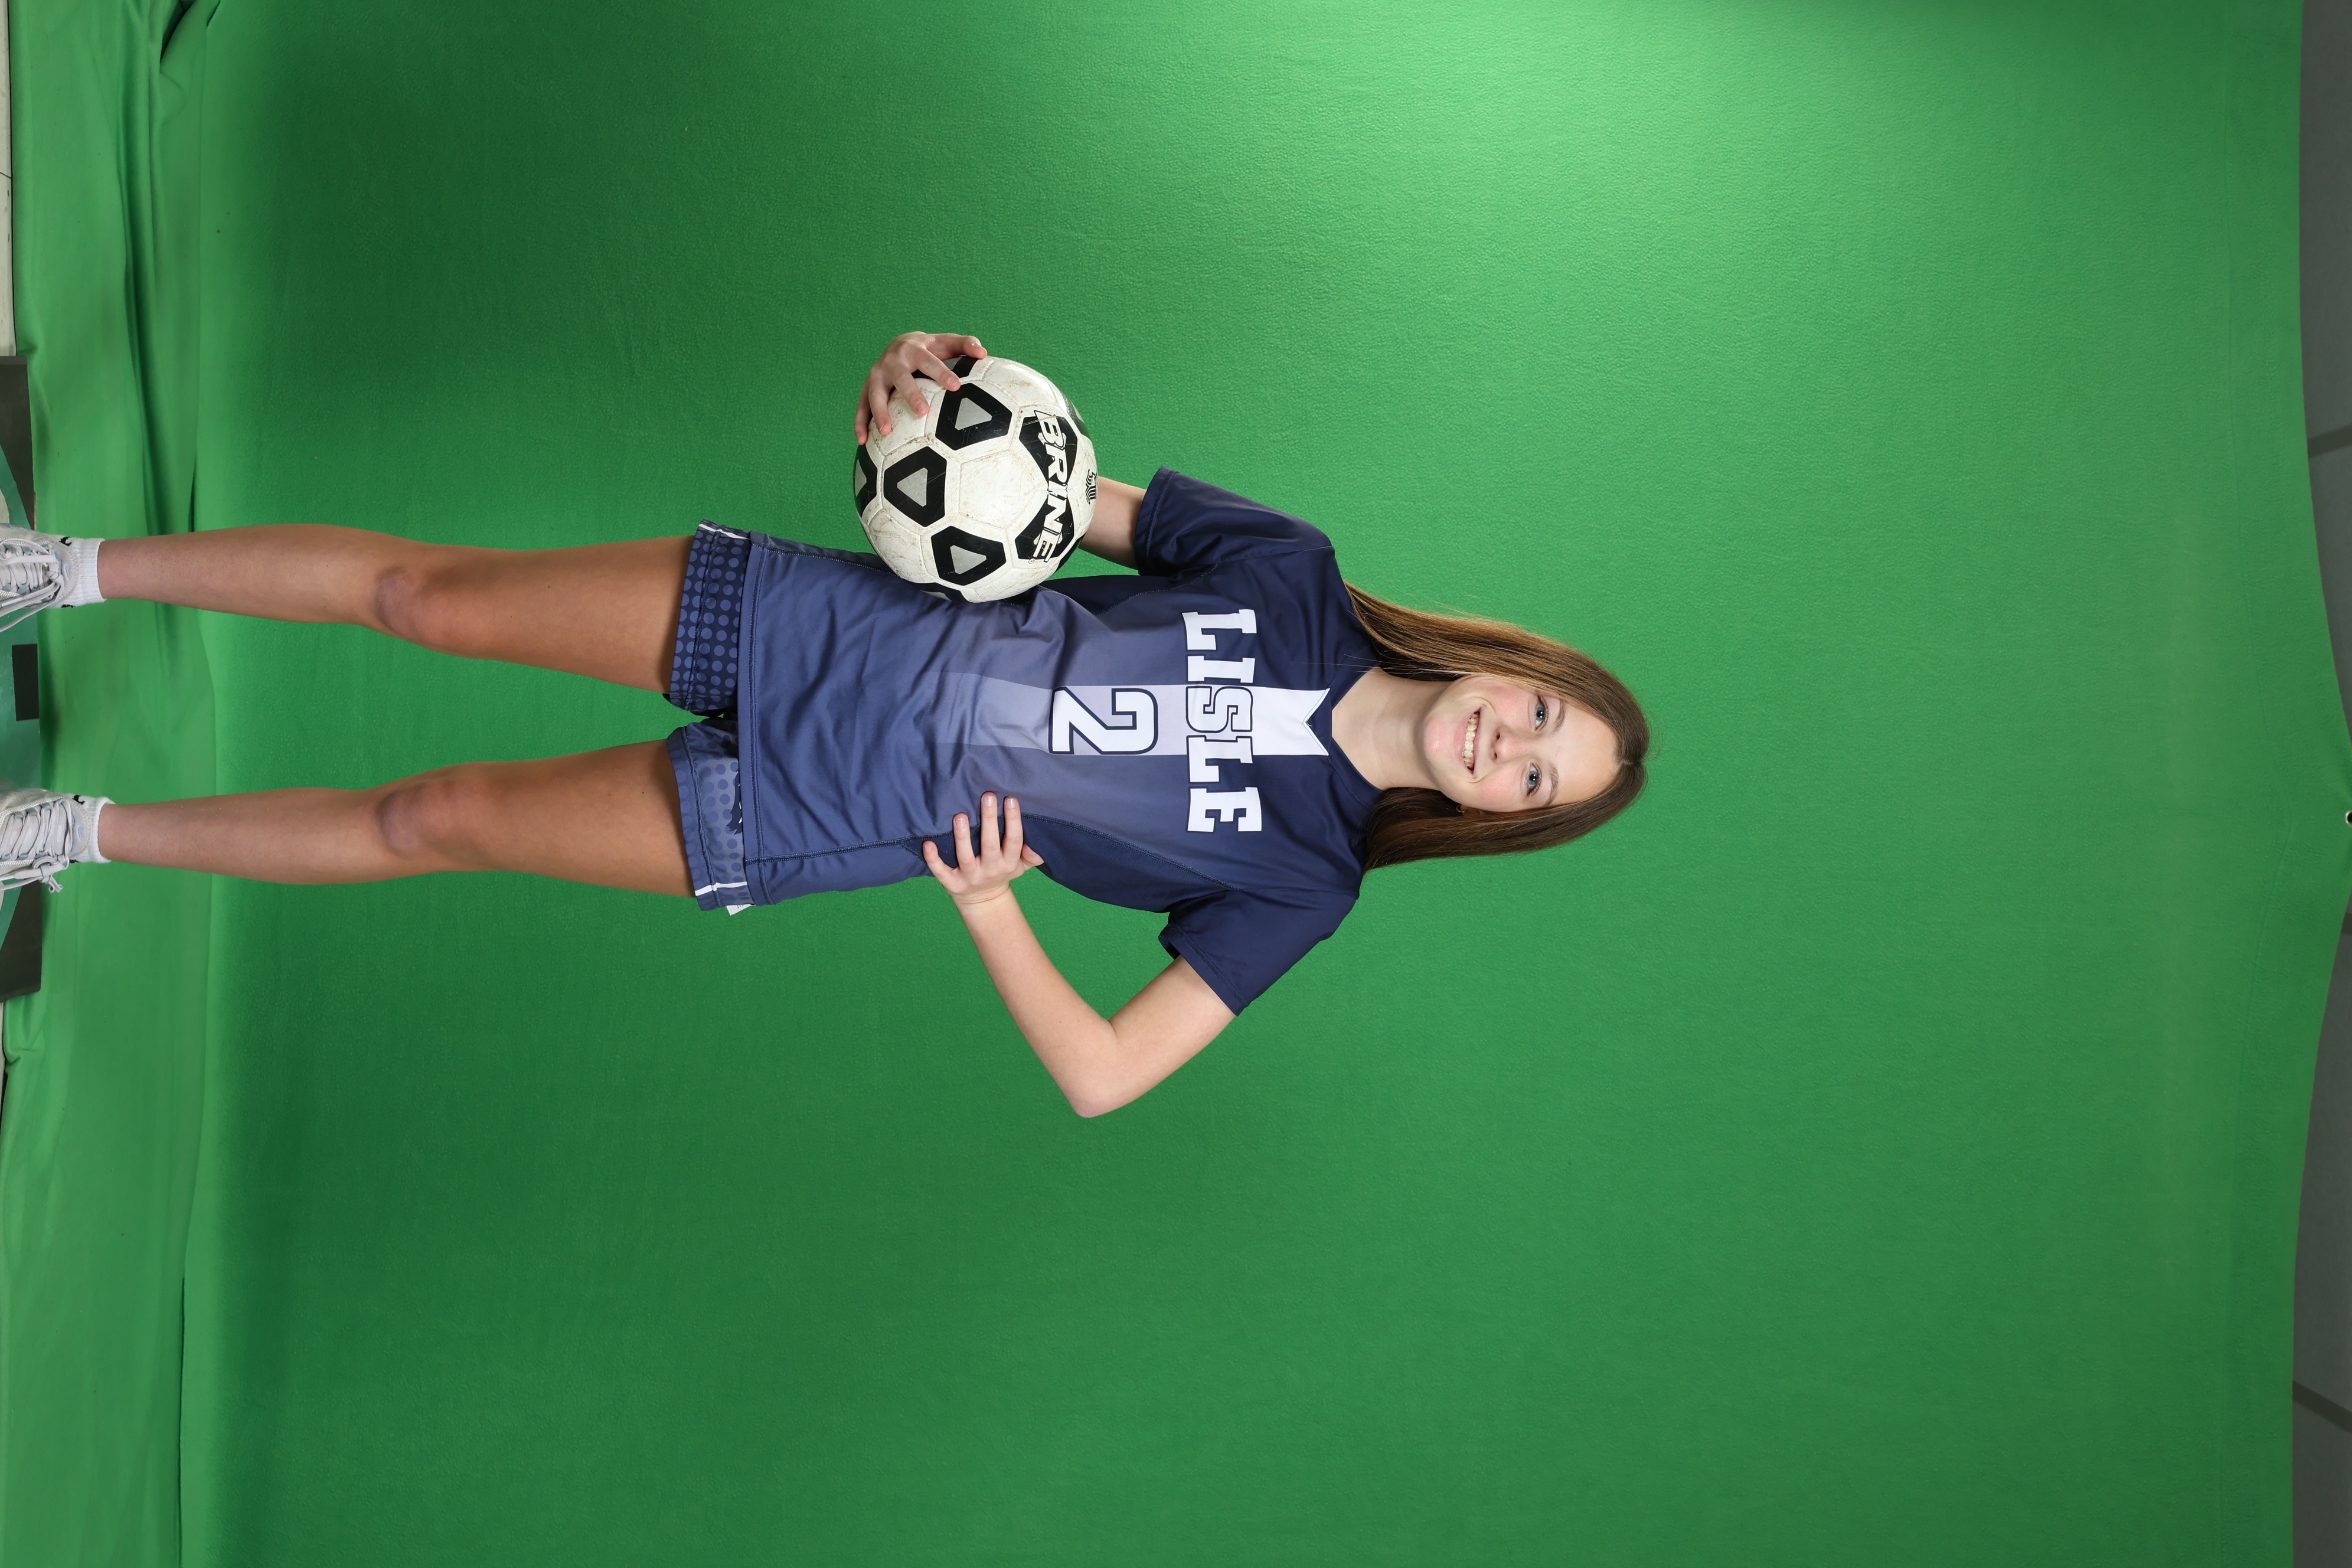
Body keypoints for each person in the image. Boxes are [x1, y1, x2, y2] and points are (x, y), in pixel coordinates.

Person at [0, 332, 1649, 1115]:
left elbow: (1104, 1075)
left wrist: (992, 912)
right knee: (425, 596)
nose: (1508, 748)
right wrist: (922, 393)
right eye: (1539, 716)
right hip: (821, 621)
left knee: (433, 818)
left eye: (1535, 781)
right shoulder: (1293, 574)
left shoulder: (1305, 883)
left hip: (822, 814)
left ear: (1500, 819)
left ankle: (69, 831)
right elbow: (1052, 489)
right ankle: (56, 568)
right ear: (1513, 664)